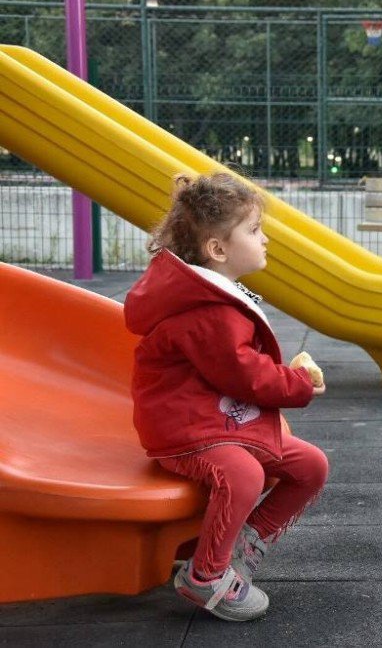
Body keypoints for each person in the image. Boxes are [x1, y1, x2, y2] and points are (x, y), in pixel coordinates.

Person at [124, 173, 329, 622]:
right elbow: (244, 374)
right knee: (243, 475)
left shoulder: (212, 295)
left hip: (215, 417)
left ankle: (240, 545)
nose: (265, 238)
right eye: (254, 231)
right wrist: (297, 384)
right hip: (184, 426)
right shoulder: (207, 311)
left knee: (310, 466)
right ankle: (206, 575)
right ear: (218, 250)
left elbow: (238, 371)